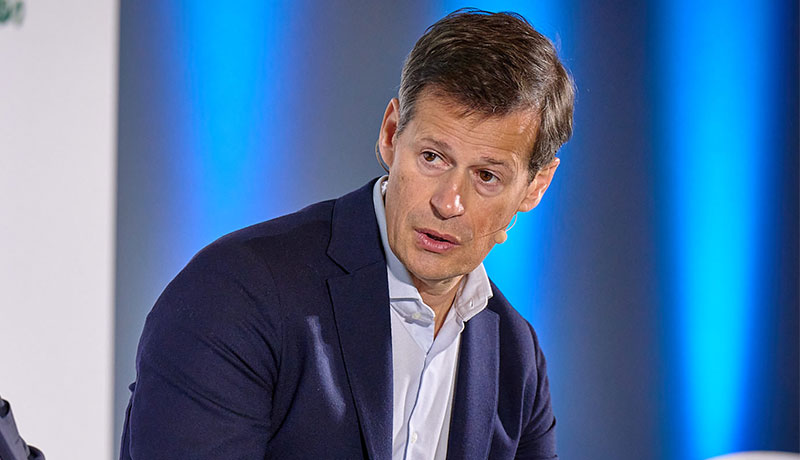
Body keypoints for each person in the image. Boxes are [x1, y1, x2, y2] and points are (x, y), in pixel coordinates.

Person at [120, 8, 574, 460]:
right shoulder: (235, 293)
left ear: (535, 186)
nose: (448, 203)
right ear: (391, 134)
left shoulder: (518, 357)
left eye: (487, 176)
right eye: (433, 157)